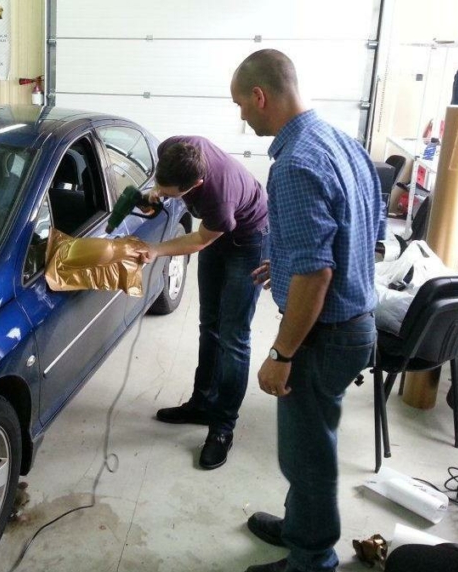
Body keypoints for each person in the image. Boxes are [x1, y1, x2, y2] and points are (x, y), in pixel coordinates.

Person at [230, 50, 381, 572]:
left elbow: (317, 276)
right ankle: (300, 529)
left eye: (240, 105)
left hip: (324, 336)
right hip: (354, 323)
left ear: (260, 97)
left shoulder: (294, 165)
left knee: (307, 458)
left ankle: (312, 560)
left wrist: (281, 354)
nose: (241, 116)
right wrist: (289, 258)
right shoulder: (339, 141)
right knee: (309, 445)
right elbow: (360, 230)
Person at [134, 136, 269, 470]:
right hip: (216, 233)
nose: (164, 194)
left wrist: (155, 250)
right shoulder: (174, 147)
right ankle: (202, 403)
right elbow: (170, 192)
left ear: (195, 184)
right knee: (209, 324)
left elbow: (198, 240)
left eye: (171, 192)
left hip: (249, 241)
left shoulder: (219, 198)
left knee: (233, 337)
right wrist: (157, 192)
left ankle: (222, 427)